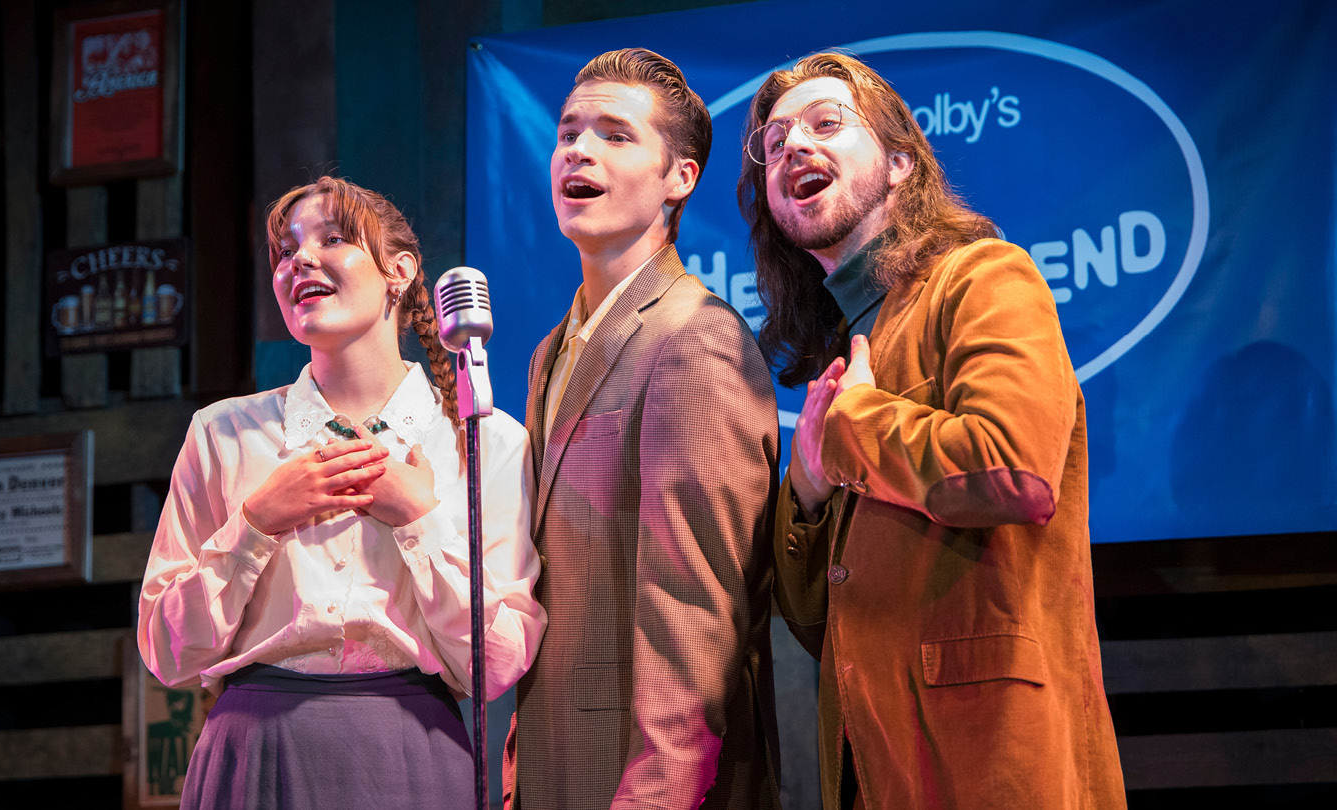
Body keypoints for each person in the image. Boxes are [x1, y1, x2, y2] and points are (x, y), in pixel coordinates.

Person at [738, 52, 1126, 809]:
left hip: (991, 760)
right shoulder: (837, 349)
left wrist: (854, 422)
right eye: (776, 139)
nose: (792, 146)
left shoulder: (985, 277)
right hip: (873, 765)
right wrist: (810, 494)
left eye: (826, 123)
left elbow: (1014, 470)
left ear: (899, 164)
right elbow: (818, 617)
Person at [138, 177, 546, 809]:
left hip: (412, 750)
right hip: (253, 752)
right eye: (285, 250)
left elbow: (496, 665)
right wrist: (256, 523)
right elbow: (167, 653)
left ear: (401, 271)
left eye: (333, 238)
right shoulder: (223, 434)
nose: (300, 259)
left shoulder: (484, 442)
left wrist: (419, 516)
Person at [505, 48, 782, 809]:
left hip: (650, 780)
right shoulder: (547, 352)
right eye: (568, 133)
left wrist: (658, 794)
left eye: (615, 135)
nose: (579, 150)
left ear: (679, 178)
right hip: (559, 760)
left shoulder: (696, 340)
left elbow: (698, 611)